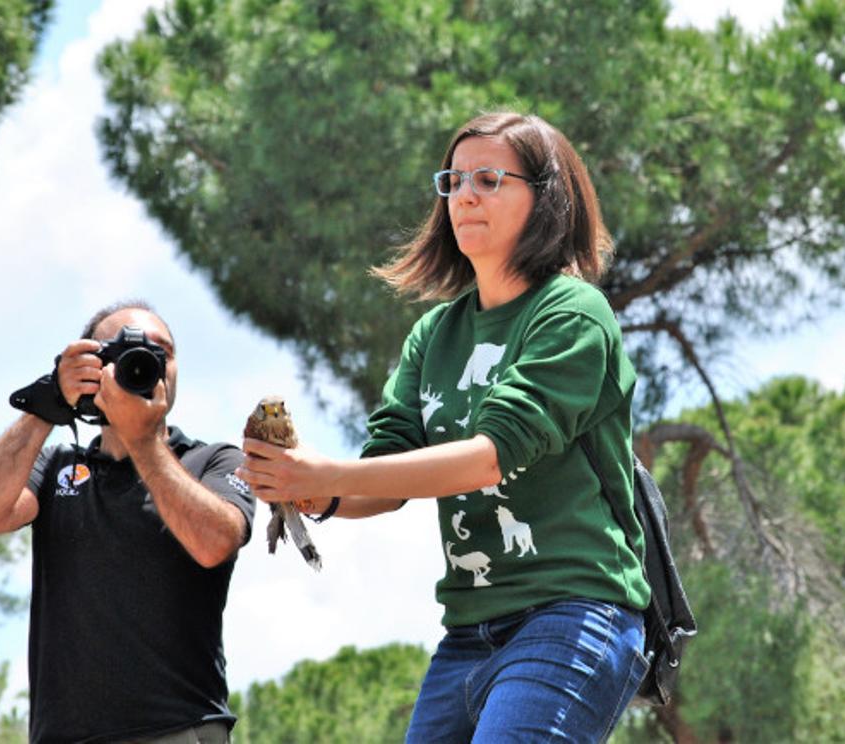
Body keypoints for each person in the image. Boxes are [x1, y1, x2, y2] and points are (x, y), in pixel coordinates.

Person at [238, 112, 650, 742]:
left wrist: (327, 474)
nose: (464, 196)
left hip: (572, 615)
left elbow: (491, 456)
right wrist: (303, 487)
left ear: (547, 199)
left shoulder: (573, 313)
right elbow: (386, 478)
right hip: (467, 635)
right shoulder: (434, 334)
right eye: (453, 181)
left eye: (489, 179)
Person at [0, 301, 254, 744]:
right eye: (123, 352)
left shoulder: (213, 460)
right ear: (93, 365)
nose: (150, 362)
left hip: (179, 729)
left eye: (164, 353)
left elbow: (215, 543)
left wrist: (144, 443)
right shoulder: (58, 463)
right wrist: (48, 404)